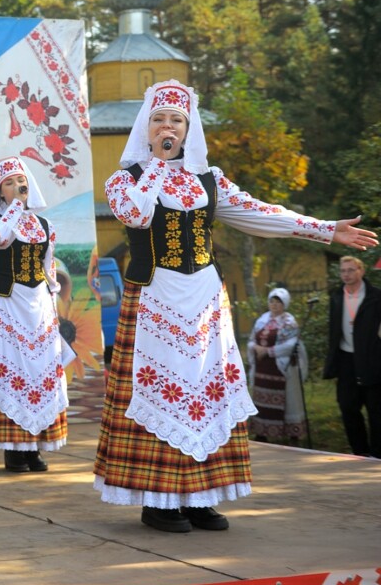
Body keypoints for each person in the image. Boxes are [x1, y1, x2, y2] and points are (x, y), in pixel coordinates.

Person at [95, 79, 377, 534]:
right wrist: (158, 167)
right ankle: (160, 501)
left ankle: (202, 497)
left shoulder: (210, 179)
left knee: (206, 396)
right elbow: (135, 215)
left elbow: (262, 213)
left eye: (177, 121)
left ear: (189, 129)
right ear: (146, 127)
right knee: (162, 394)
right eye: (160, 120)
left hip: (204, 300)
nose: (168, 126)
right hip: (154, 299)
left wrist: (325, 229)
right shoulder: (124, 179)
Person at [0, 157, 74, 473]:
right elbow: (0, 238)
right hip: (7, 303)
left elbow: (48, 265)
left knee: (40, 371)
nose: (17, 187)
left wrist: (52, 299)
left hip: (38, 304)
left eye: (21, 181)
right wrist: (15, 208)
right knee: (11, 370)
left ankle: (35, 446)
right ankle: (14, 448)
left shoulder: (44, 225)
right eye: (10, 183)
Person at [324, 256, 381, 457]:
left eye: (350, 270)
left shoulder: (376, 297)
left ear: (361, 271)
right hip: (346, 360)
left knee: (376, 411)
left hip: (372, 360)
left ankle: (377, 455)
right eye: (343, 271)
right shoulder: (337, 296)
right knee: (348, 408)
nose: (346, 274)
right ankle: (360, 453)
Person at [247, 288, 307, 443]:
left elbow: (292, 344)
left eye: (278, 302)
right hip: (262, 368)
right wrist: (255, 348)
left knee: (288, 401)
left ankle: (292, 434)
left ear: (284, 304)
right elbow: (252, 339)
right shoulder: (262, 319)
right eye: (271, 301)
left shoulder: (289, 322)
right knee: (262, 399)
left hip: (281, 368)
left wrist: (268, 351)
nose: (274, 305)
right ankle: (262, 433)